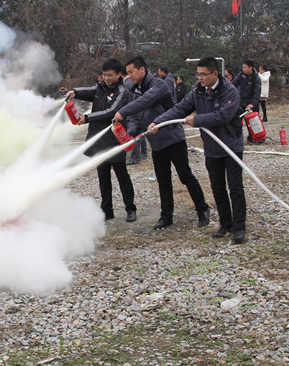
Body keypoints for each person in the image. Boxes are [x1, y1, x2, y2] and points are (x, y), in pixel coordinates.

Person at [149, 56, 246, 244]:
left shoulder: (230, 91)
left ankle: (239, 227)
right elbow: (180, 109)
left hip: (231, 145)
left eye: (204, 74)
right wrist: (158, 122)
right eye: (198, 74)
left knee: (235, 187)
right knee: (217, 188)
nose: (200, 78)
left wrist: (198, 120)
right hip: (211, 148)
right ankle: (225, 224)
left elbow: (224, 115)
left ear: (215, 73)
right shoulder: (197, 92)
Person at [113, 56, 210, 230]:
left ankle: (202, 209)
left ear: (142, 69)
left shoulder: (160, 85)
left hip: (173, 138)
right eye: (127, 73)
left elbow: (145, 102)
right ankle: (166, 216)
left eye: (131, 72)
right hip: (156, 144)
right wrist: (130, 134)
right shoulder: (135, 91)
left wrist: (122, 111)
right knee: (163, 180)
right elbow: (136, 115)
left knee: (185, 176)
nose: (129, 76)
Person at [67, 59, 137, 223]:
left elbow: (111, 112)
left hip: (115, 141)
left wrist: (87, 118)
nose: (106, 78)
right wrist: (74, 92)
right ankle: (107, 210)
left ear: (119, 75)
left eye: (110, 75)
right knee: (103, 177)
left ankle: (130, 209)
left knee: (122, 176)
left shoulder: (123, 92)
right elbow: (89, 92)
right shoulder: (100, 88)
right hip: (99, 141)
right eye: (104, 75)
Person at [231, 60, 261, 143]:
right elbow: (233, 84)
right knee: (237, 120)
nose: (243, 69)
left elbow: (257, 92)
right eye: (243, 67)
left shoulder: (256, 78)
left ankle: (256, 138)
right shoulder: (241, 76)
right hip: (241, 102)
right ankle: (236, 138)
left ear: (250, 68)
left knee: (253, 122)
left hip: (251, 103)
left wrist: (252, 104)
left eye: (245, 67)